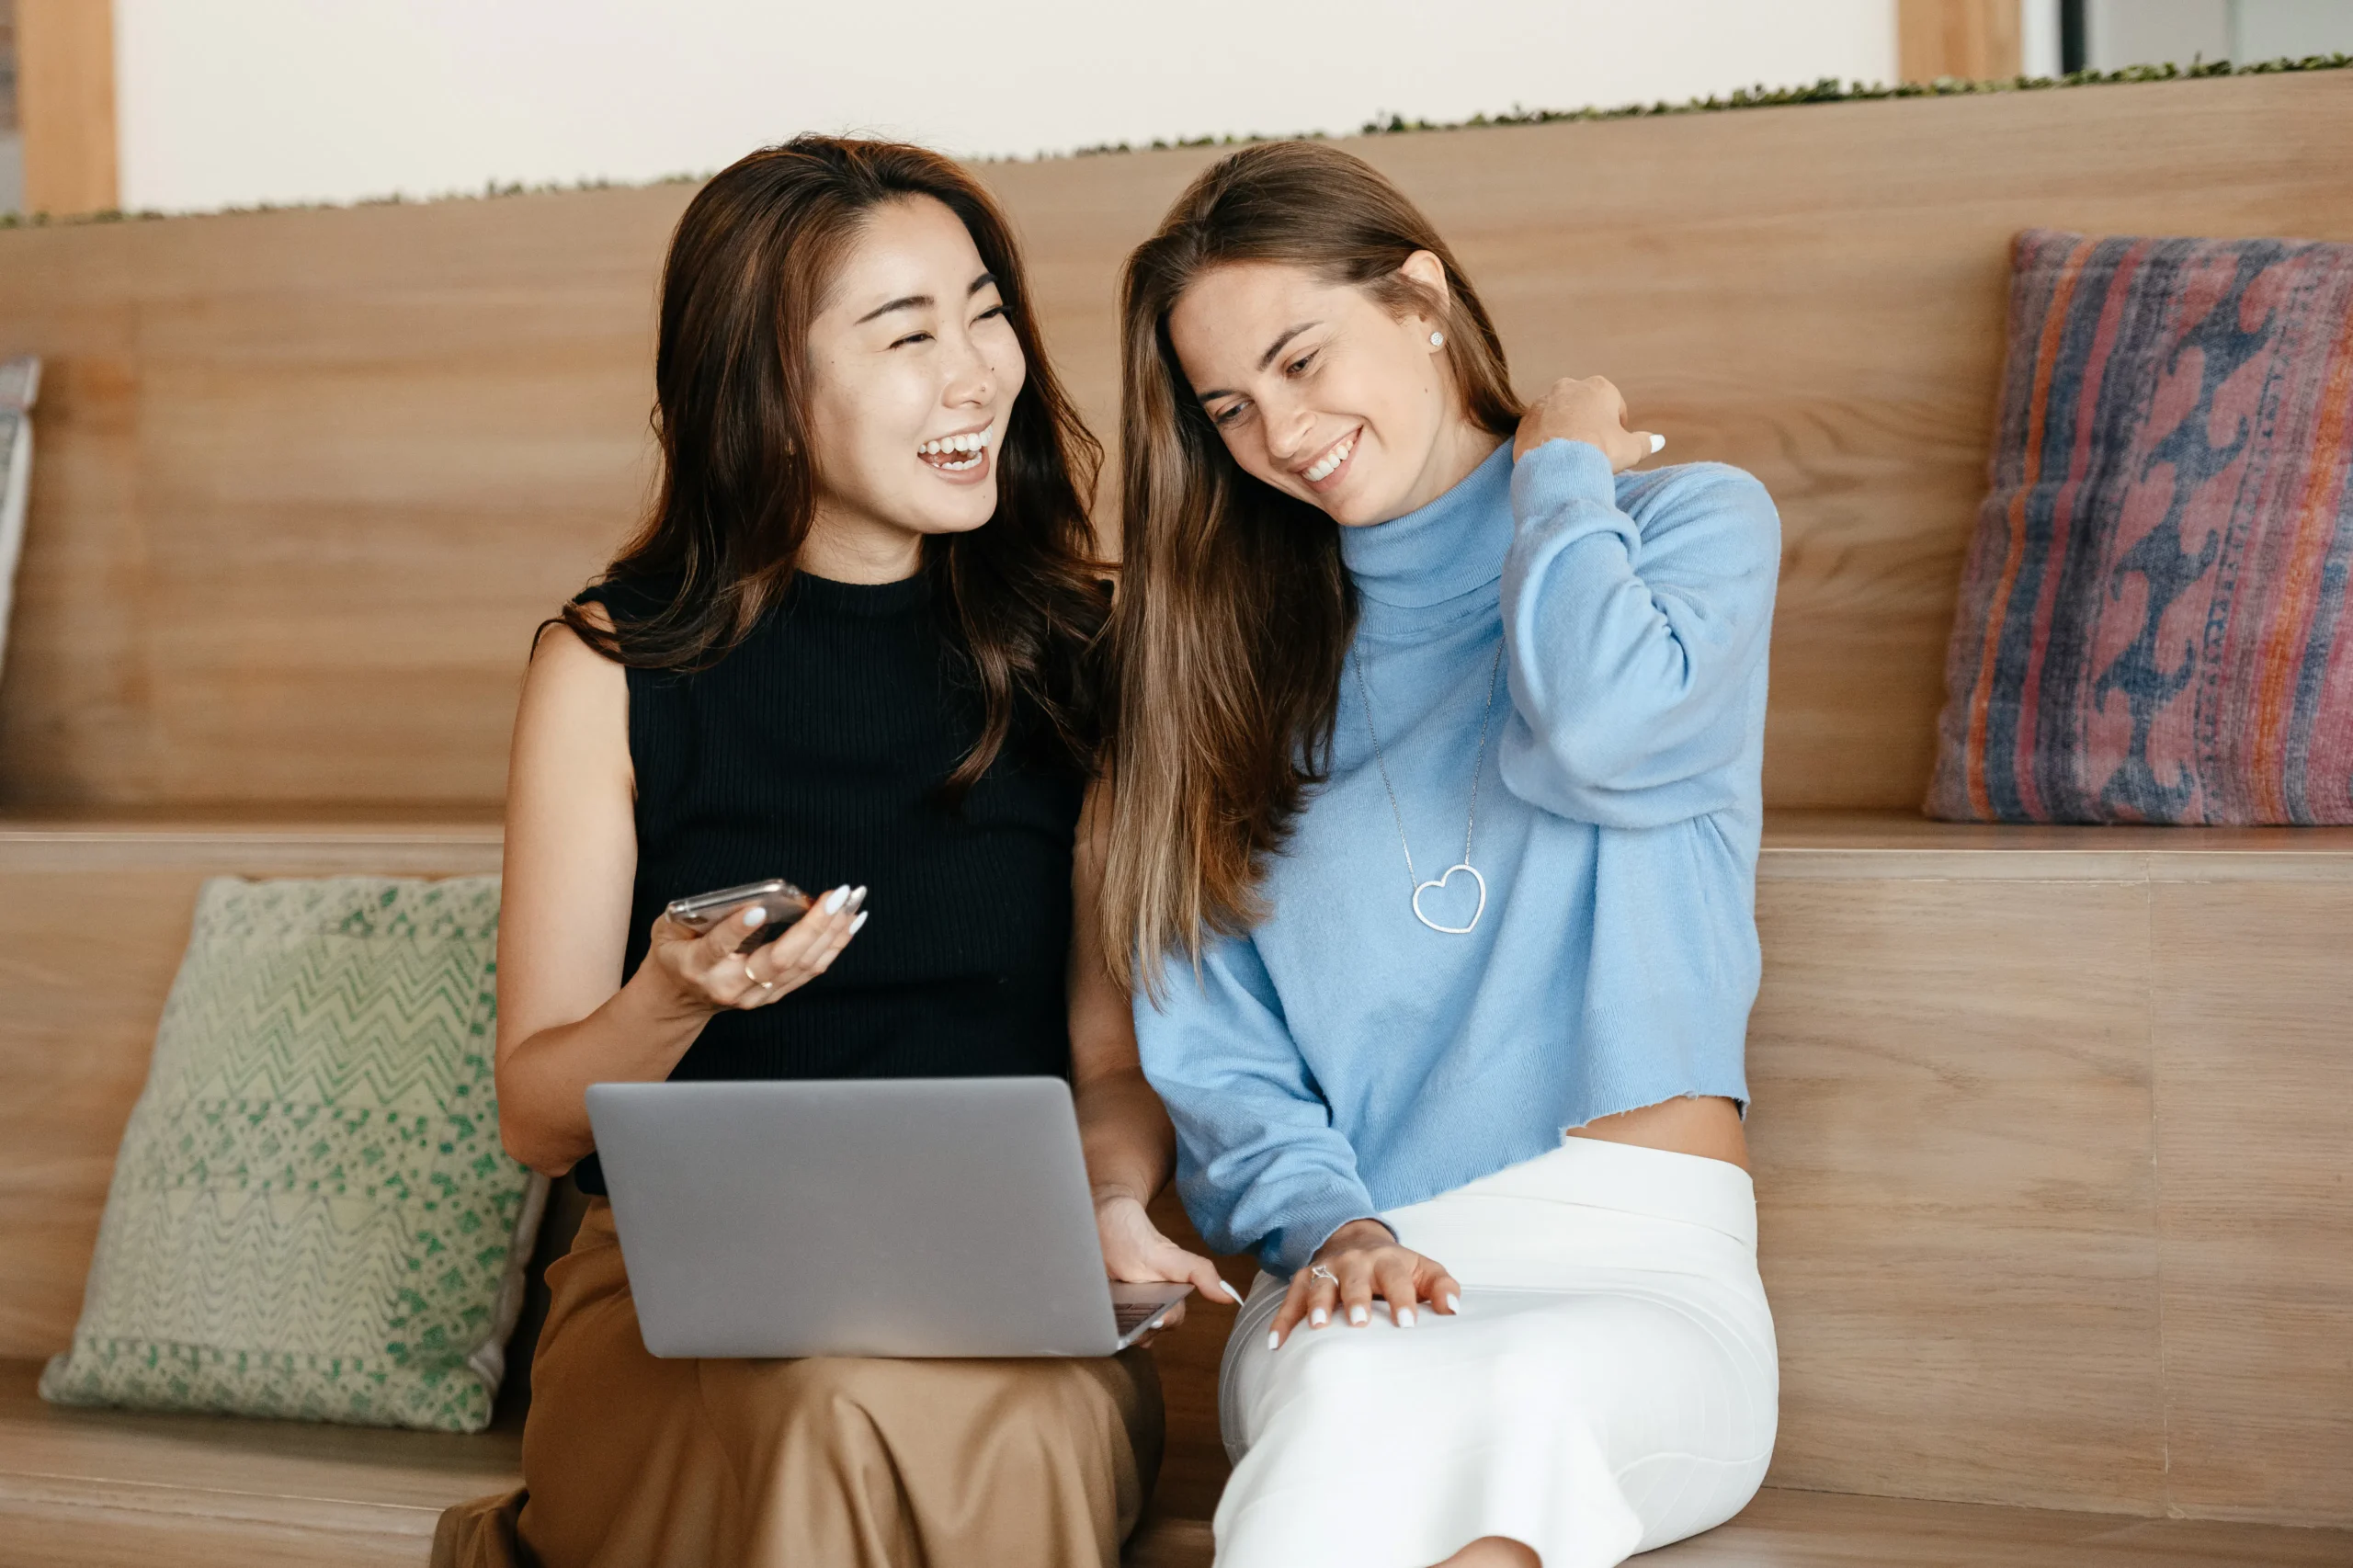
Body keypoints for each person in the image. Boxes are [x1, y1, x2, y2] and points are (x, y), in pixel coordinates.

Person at [435, 135, 1225, 1568]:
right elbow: (537, 1121)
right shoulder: (608, 666)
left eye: (986, 312)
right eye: (907, 333)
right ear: (770, 390)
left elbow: (1108, 1066)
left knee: (872, 1414)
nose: (977, 372)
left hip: (1003, 1299)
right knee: (819, 1407)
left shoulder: (1081, 651)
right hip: (684, 1300)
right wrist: (671, 999)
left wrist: (1105, 1204)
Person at [1098, 141, 1782, 1568]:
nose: (1279, 434)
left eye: (1301, 360)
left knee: (1519, 1403)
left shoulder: (1682, 535)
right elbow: (1218, 1059)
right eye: (1229, 407)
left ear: (1421, 298)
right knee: (1357, 1388)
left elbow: (1601, 730)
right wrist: (1333, 1226)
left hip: (1643, 1270)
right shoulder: (1223, 678)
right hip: (1357, 1271)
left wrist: (1562, 473)